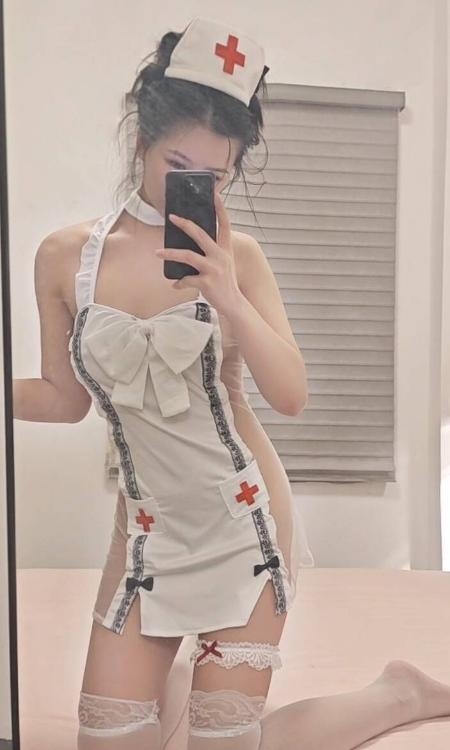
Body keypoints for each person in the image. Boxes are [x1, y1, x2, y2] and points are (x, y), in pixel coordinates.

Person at [15, 15, 450, 750]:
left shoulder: (238, 258)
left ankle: (396, 694)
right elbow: (64, 399)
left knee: (225, 740)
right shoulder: (64, 259)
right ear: (140, 139)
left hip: (242, 521)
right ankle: (183, 678)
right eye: (176, 162)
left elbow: (292, 395)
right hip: (146, 531)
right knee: (108, 736)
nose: (188, 184)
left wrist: (228, 297)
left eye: (212, 176)